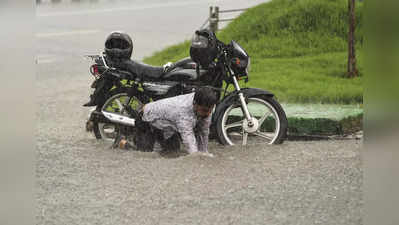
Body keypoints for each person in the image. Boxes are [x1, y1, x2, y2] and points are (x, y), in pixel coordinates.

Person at [119, 86, 217, 156]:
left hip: (167, 126)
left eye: (210, 110)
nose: (208, 114)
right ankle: (122, 143)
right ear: (195, 104)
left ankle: (158, 141)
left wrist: (205, 153)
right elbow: (189, 139)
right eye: (204, 111)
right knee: (145, 155)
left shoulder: (206, 104)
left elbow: (204, 132)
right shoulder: (182, 112)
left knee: (173, 152)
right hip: (146, 120)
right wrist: (197, 158)